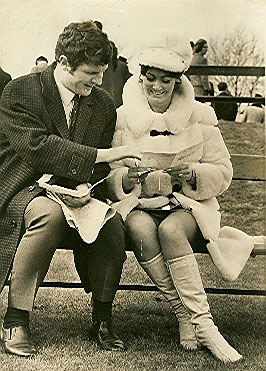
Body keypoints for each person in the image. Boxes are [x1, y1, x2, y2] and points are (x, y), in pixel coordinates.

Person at [107, 29, 258, 363]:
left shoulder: (200, 115)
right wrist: (126, 179)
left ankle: (204, 325)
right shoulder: (122, 118)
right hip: (142, 205)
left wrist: (192, 175)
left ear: (178, 81)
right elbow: (110, 176)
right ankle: (183, 316)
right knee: (141, 229)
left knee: (170, 230)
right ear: (140, 76)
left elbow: (223, 171)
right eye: (150, 78)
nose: (157, 87)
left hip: (188, 205)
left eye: (166, 80)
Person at [0, 20, 141, 357]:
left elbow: (102, 169)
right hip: (25, 189)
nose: (98, 80)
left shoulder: (103, 104)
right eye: (91, 73)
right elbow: (38, 147)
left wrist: (113, 180)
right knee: (48, 214)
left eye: (103, 71)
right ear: (63, 62)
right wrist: (104, 155)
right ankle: (16, 318)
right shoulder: (20, 91)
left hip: (78, 195)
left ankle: (102, 320)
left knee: (110, 224)